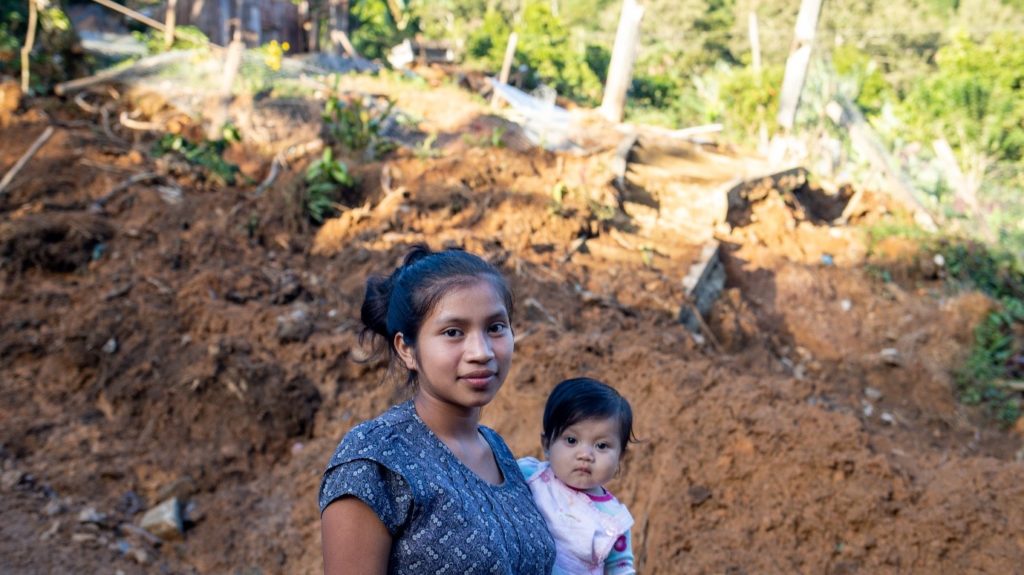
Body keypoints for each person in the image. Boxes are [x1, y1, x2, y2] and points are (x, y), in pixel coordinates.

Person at [319, 245, 556, 575]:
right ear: (407, 349)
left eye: (495, 327)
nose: (481, 352)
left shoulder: (498, 451)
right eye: (453, 332)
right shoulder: (375, 460)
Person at [518, 377, 638, 575]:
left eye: (601, 446)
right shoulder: (529, 476)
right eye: (572, 440)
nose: (585, 455)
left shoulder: (614, 520)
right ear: (547, 444)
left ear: (620, 456)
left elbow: (620, 568)